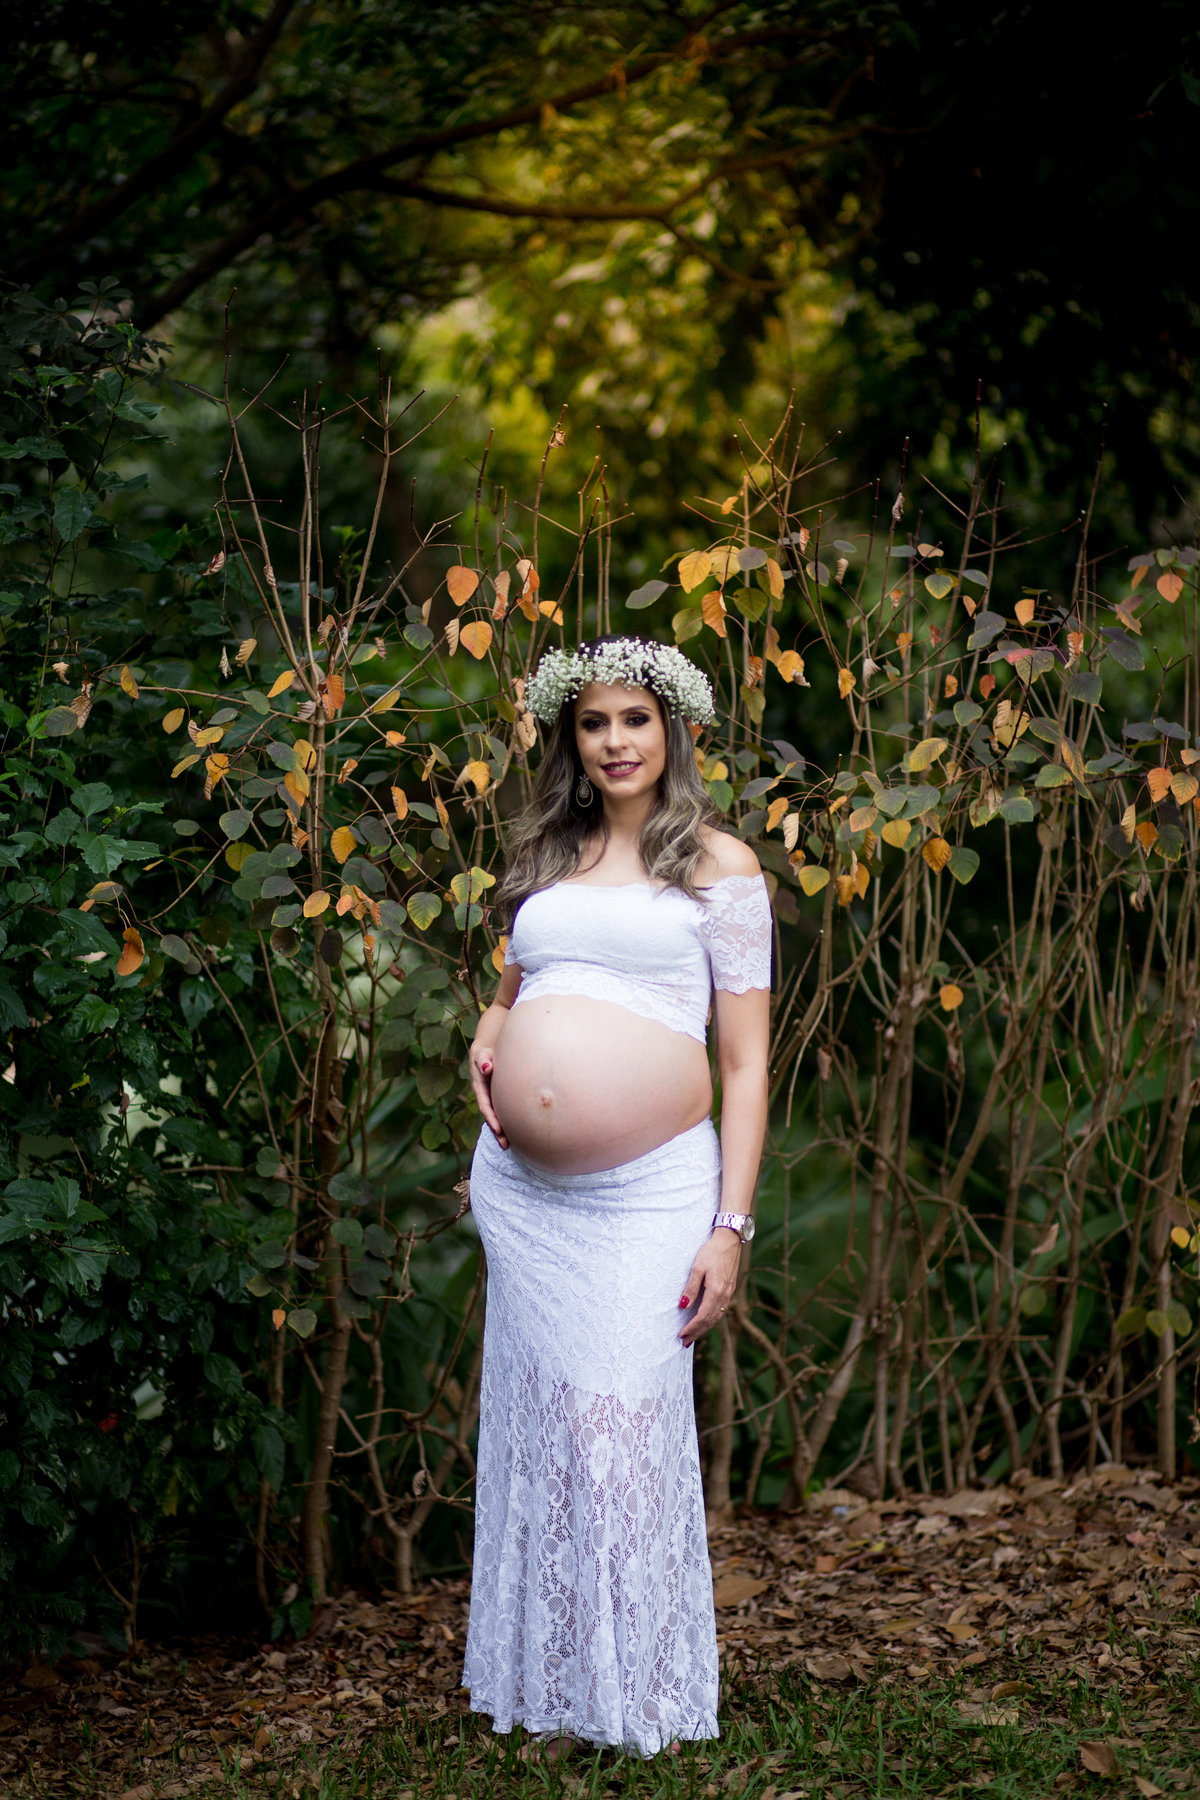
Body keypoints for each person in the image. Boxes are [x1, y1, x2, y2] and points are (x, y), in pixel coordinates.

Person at [462, 635, 772, 1760]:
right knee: (547, 1430)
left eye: (634, 719)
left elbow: (745, 1062)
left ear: (672, 728)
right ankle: (556, 1688)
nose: (614, 742)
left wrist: (730, 1227)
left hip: (651, 1196)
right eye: (593, 723)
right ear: (570, 738)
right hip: (526, 1198)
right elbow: (519, 976)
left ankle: (641, 1695)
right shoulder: (551, 852)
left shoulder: (721, 867)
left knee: (620, 1428)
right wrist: (492, 1027)